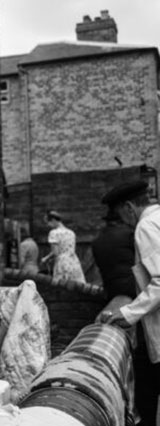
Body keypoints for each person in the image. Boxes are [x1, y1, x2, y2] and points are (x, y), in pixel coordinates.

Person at [97, 180, 160, 426]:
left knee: (147, 399)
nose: (125, 223)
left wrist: (129, 313)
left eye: (122, 217)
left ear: (128, 207)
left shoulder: (146, 226)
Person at [41, 210, 86, 283]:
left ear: (53, 220)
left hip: (62, 263)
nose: (48, 225)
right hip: (74, 262)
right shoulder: (71, 233)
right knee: (77, 286)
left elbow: (55, 252)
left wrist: (46, 258)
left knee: (62, 287)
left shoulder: (54, 233)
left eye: (48, 223)